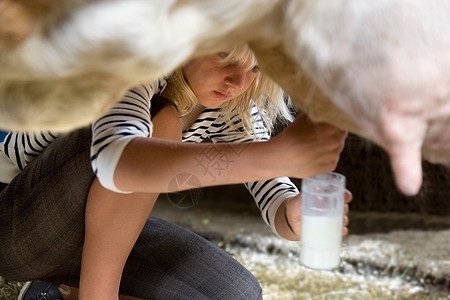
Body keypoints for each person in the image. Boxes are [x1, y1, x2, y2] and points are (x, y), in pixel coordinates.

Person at [0, 44, 350, 299]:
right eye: (225, 56)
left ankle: (56, 294)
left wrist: (295, 213)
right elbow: (119, 161)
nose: (238, 81)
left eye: (255, 69)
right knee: (160, 125)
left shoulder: (231, 107)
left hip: (84, 237)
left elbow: (273, 192)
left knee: (237, 294)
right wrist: (274, 154)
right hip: (16, 224)